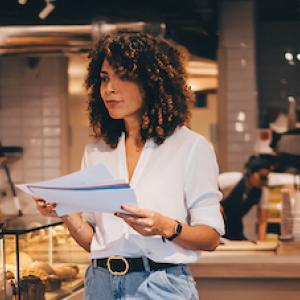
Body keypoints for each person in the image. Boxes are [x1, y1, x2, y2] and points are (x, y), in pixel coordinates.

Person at [33, 32, 224, 300]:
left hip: (160, 287)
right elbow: (94, 243)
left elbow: (210, 237)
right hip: (99, 284)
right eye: (104, 78)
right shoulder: (97, 150)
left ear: (152, 82)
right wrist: (65, 209)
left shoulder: (191, 147)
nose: (109, 88)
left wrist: (167, 227)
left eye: (123, 76)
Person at [220, 155, 271, 241]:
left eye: (266, 178)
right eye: (262, 177)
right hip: (218, 227)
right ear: (251, 173)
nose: (264, 181)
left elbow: (262, 220)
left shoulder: (262, 192)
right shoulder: (234, 179)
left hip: (235, 229)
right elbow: (210, 184)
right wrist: (215, 204)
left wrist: (261, 243)